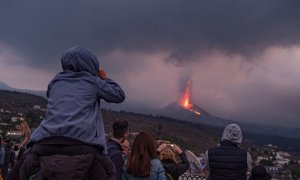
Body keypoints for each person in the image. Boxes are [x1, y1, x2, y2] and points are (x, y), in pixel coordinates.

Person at [8, 45, 125, 180]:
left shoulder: (56, 81)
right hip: (81, 142)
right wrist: (104, 78)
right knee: (109, 171)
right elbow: (119, 95)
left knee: (19, 169)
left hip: (46, 141)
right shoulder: (93, 81)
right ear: (92, 64)